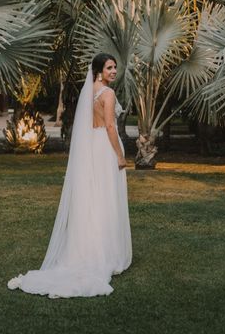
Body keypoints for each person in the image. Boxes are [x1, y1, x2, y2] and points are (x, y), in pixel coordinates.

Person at [7, 53, 132, 298]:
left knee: (91, 200)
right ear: (99, 70)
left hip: (91, 149)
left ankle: (85, 248)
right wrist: (119, 155)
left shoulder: (90, 92)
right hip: (105, 148)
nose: (114, 71)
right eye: (109, 68)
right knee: (105, 200)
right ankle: (106, 252)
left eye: (115, 67)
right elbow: (109, 126)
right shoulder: (107, 94)